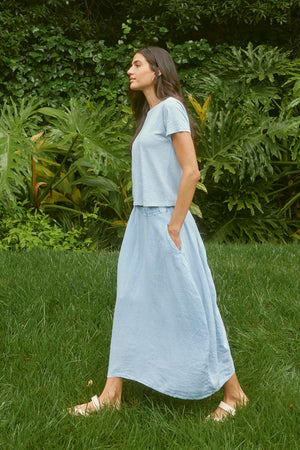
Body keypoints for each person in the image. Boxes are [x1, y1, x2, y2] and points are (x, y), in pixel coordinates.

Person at [69, 46, 248, 421]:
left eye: (137, 64)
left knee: (190, 303)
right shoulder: (149, 116)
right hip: (142, 222)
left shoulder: (170, 109)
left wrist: (174, 225)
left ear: (158, 71)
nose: (129, 71)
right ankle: (111, 393)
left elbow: (191, 171)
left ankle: (234, 393)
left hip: (168, 221)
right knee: (131, 301)